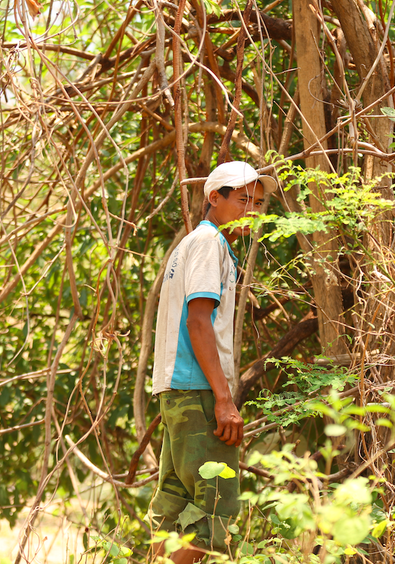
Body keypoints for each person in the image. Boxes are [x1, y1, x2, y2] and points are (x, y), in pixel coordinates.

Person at [147, 161, 277, 563]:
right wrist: (223, 399)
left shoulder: (194, 243)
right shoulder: (208, 244)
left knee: (171, 504)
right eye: (241, 200)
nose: (250, 211)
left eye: (257, 203)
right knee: (216, 511)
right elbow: (198, 320)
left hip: (178, 392)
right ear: (213, 199)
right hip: (198, 391)